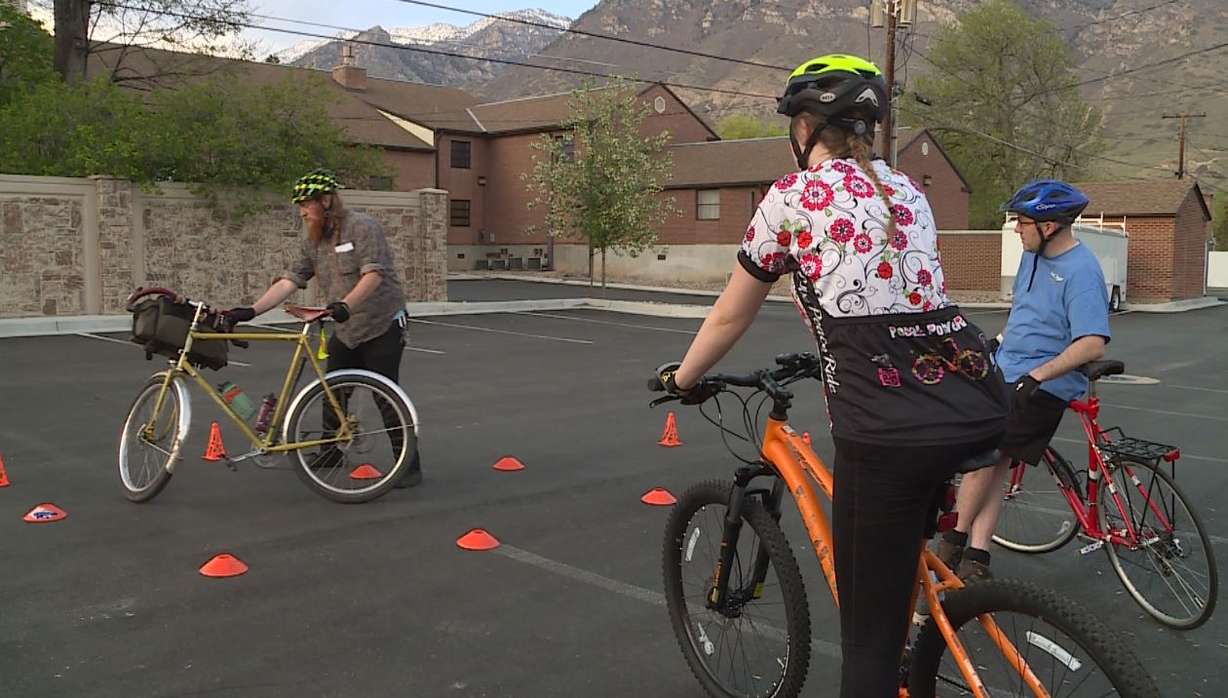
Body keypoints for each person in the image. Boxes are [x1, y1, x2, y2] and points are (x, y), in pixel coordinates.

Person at [655, 54, 1008, 698]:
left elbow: (732, 315)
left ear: (808, 126)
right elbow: (901, 300)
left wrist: (682, 378)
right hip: (965, 396)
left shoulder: (791, 199)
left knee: (866, 651)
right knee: (898, 576)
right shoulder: (908, 191)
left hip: (885, 427)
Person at [935, 180, 1109, 579]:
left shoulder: (1081, 272)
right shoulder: (1033, 257)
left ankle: (952, 547)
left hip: (1045, 384)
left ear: (1049, 226)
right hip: (1008, 370)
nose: (1015, 229)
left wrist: (1038, 374)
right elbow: (1027, 316)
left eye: (1022, 222)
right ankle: (977, 559)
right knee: (996, 463)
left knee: (983, 456)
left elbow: (1092, 343)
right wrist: (994, 344)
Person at [225, 169, 422, 488]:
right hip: (346, 328)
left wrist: (346, 305)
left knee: (385, 395)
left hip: (382, 323)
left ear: (326, 201)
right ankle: (330, 451)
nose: (302, 211)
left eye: (306, 204)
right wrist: (250, 311)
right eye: (299, 206)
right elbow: (291, 280)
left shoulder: (362, 228)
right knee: (332, 391)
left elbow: (373, 275)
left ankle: (408, 466)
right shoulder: (313, 241)